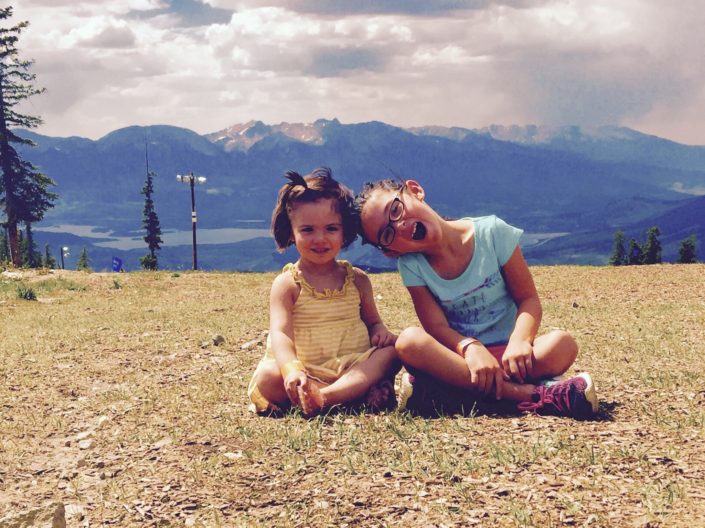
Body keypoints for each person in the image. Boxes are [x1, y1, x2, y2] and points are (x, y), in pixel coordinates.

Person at [355, 179, 598, 419]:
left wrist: (520, 341)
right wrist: (470, 347)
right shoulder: (412, 265)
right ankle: (533, 395)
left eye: (396, 209)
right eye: (387, 234)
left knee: (562, 344)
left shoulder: (492, 233)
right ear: (391, 250)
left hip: (511, 356)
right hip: (461, 359)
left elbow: (528, 299)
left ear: (415, 191)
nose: (399, 225)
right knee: (408, 342)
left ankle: (450, 394)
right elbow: (435, 327)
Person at [248, 168, 399, 417]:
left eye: (331, 228)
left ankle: (327, 397)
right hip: (306, 371)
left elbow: (373, 323)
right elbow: (281, 334)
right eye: (308, 230)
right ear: (291, 233)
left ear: (345, 231)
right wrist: (292, 370)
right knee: (267, 377)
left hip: (353, 367)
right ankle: (343, 395)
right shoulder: (288, 284)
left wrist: (381, 332)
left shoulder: (357, 280)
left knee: (392, 352)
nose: (320, 238)